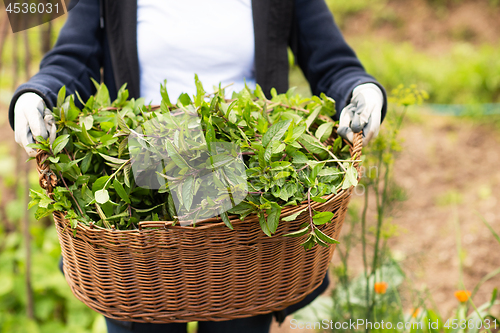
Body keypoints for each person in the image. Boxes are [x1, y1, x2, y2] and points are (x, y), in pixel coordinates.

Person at [9, 0, 387, 332]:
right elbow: (73, 58)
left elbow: (331, 61)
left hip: (247, 182)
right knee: (143, 321)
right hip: (143, 178)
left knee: (238, 321)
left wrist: (361, 90)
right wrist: (36, 94)